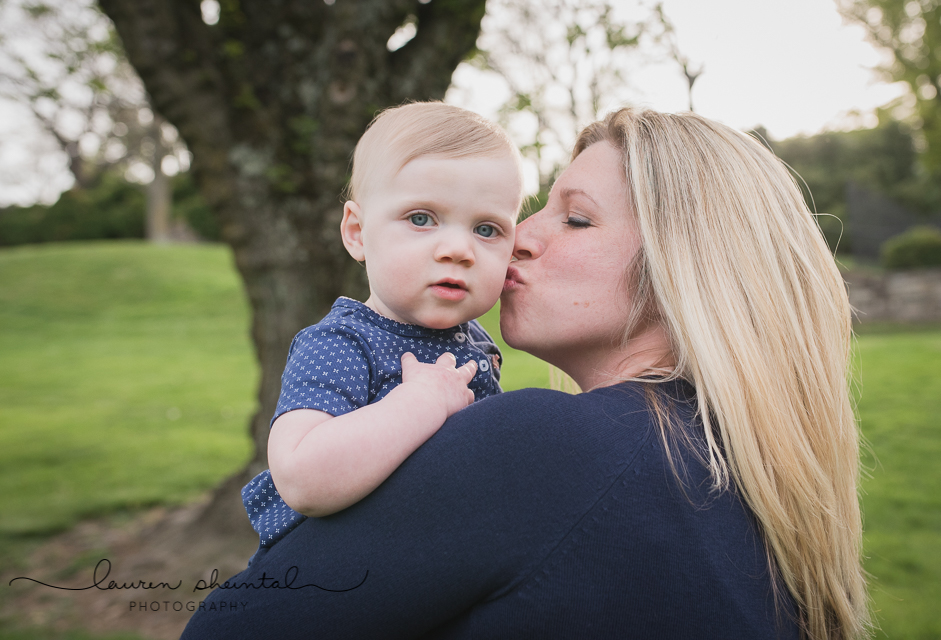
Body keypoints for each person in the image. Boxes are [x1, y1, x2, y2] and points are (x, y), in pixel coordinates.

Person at [182, 108, 869, 640]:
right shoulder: (736, 473)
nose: (521, 238)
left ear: (682, 270)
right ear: (357, 229)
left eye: (574, 218)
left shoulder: (550, 447)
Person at [241, 102, 522, 548]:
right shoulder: (343, 343)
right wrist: (419, 404)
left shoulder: (476, 344)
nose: (458, 249)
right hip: (333, 583)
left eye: (487, 230)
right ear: (356, 232)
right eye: (421, 219)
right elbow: (300, 478)